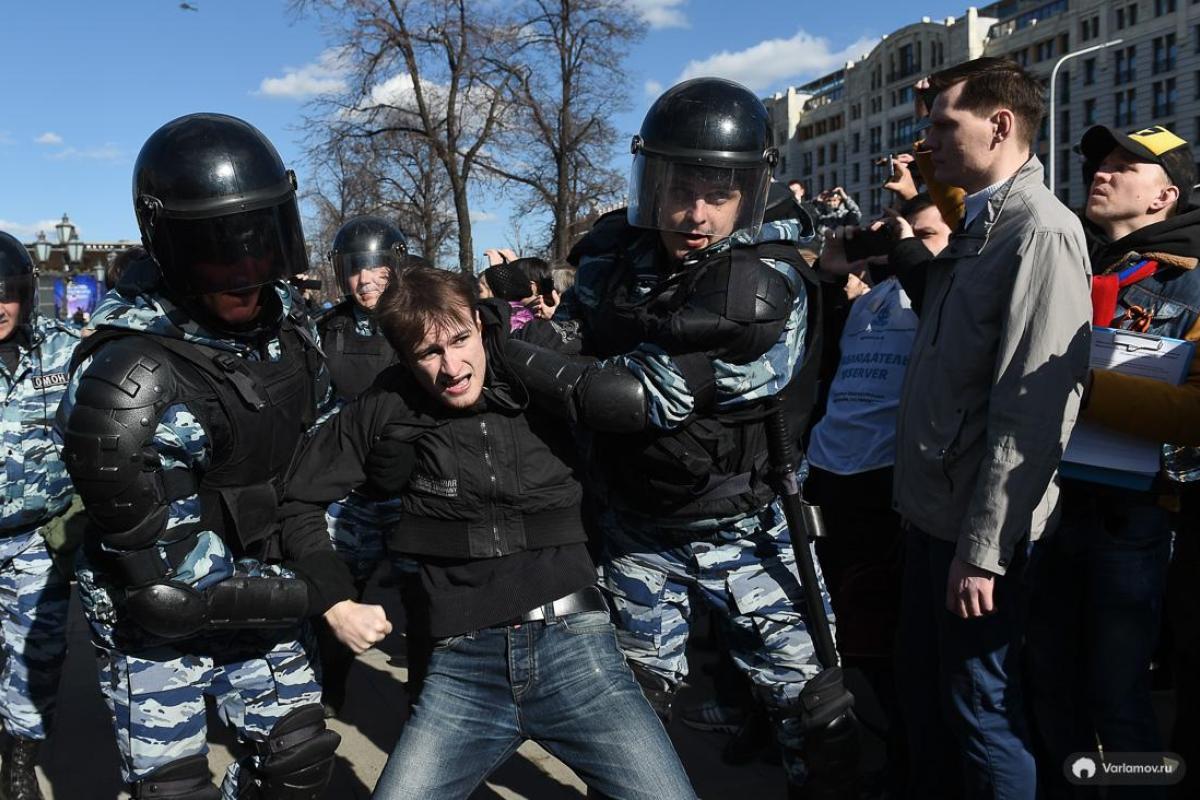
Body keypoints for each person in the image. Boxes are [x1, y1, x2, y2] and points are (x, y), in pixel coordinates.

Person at [508, 76, 828, 796]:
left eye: (716, 195)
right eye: (679, 189)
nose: (693, 213)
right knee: (621, 714)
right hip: (639, 527)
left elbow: (635, 398)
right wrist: (527, 326)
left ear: (749, 192)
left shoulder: (759, 286)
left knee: (814, 717)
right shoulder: (628, 259)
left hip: (750, 532)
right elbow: (583, 331)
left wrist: (513, 353)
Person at [58, 113, 388, 799]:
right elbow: (165, 579)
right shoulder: (130, 369)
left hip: (266, 579)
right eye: (218, 252)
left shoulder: (290, 329)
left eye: (260, 243)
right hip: (164, 614)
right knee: (175, 788)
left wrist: (367, 554)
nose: (245, 274)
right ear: (173, 248)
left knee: (297, 762)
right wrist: (322, 594)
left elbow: (326, 460)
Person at [281, 266, 696, 800]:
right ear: (404, 358)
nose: (452, 367)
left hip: (578, 653)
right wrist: (335, 600)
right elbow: (297, 498)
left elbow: (650, 389)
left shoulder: (539, 369)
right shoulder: (387, 404)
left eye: (460, 340)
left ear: (480, 323)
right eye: (429, 354)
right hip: (461, 671)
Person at [820, 57, 1092, 799]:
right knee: (928, 700)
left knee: (982, 714)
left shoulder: (1040, 232)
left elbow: (1032, 410)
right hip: (932, 521)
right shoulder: (978, 222)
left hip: (979, 537)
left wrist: (983, 551)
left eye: (944, 124)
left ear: (1000, 126)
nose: (926, 140)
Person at [1028, 123, 1200, 799]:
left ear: (1166, 195)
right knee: (1047, 681)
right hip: (1050, 506)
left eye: (1125, 165)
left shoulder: (1192, 280)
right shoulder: (1085, 263)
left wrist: (1081, 387)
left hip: (1131, 522)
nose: (1102, 171)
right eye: (1101, 162)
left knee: (1118, 699)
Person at [806, 193, 953, 795]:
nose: (907, 243)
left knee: (894, 646)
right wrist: (827, 276)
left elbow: (943, 305)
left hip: (888, 484)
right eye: (904, 233)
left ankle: (912, 764)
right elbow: (817, 357)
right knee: (849, 637)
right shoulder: (872, 301)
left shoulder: (947, 292)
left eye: (927, 233)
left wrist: (904, 247)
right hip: (831, 476)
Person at [314, 215, 425, 717]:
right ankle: (327, 694)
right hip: (349, 498)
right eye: (355, 270)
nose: (365, 281)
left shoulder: (421, 322)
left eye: (377, 268)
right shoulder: (324, 331)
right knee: (337, 597)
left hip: (414, 493)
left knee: (425, 606)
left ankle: (428, 700)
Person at [0, 231, 79, 800]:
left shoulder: (64, 350)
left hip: (34, 542)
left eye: (4, 294)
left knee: (40, 658)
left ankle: (21, 759)